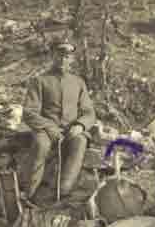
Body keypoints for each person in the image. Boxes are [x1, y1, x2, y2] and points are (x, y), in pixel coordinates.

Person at [19, 39, 97, 201]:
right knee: (41, 145)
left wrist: (80, 126)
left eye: (67, 56)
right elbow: (29, 112)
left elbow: (89, 112)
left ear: (72, 59)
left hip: (71, 130)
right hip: (46, 129)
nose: (63, 60)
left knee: (80, 142)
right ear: (53, 56)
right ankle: (29, 193)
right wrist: (49, 127)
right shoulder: (40, 81)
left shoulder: (78, 82)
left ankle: (63, 192)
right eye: (59, 55)